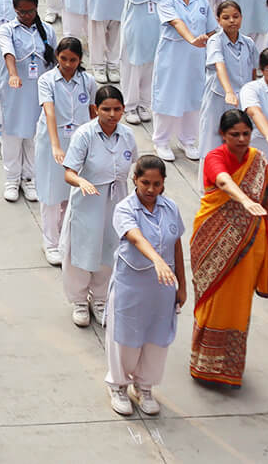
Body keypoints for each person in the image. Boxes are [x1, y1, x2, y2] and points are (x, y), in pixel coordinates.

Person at [188, 110, 268, 387]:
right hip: (212, 241)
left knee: (238, 306)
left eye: (246, 133)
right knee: (212, 302)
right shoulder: (214, 157)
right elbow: (223, 181)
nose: (242, 139)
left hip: (249, 245)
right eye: (235, 135)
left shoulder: (258, 160)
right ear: (223, 135)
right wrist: (243, 200)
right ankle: (202, 365)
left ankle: (228, 368)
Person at [105, 155, 185, 417]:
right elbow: (136, 238)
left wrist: (181, 285)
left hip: (162, 289)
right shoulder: (125, 209)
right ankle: (118, 385)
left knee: (156, 340)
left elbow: (176, 245)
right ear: (135, 180)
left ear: (163, 184)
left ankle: (145, 386)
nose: (151, 190)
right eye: (145, 183)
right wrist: (158, 261)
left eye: (156, 184)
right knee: (126, 339)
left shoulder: (170, 207)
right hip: (132, 286)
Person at [63, 86, 135, 328]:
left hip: (117, 201)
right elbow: (69, 173)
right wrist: (81, 181)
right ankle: (80, 300)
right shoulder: (84, 135)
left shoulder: (127, 136)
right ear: (95, 109)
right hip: (88, 202)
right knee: (83, 250)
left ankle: (101, 298)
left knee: (110, 249)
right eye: (106, 109)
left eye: (117, 109)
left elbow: (135, 168)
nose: (112, 114)